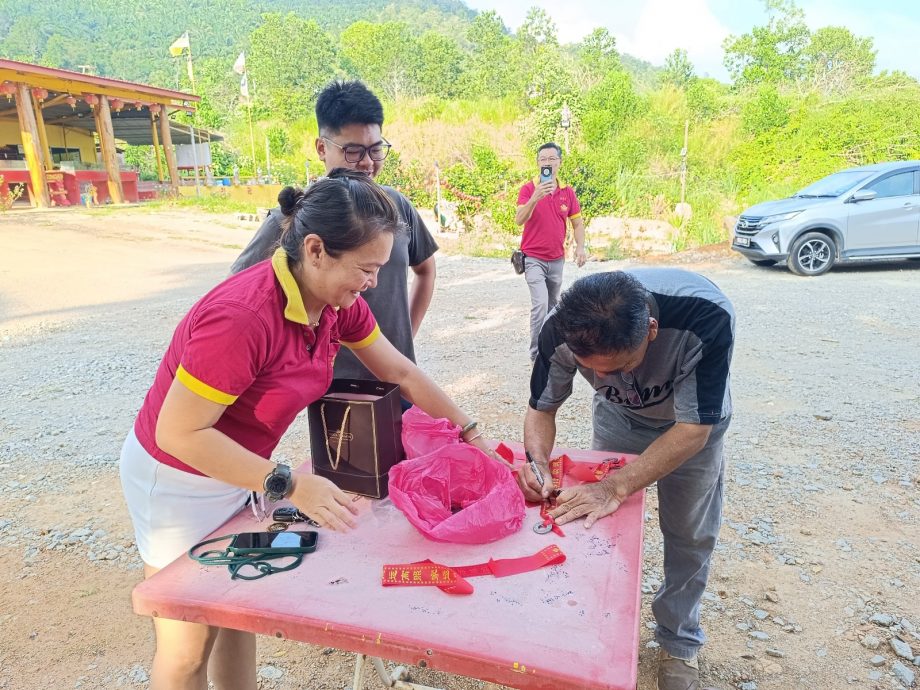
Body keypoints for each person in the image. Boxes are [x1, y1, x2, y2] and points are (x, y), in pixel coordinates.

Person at [121, 171, 494, 690]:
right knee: (187, 645)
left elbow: (402, 372)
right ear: (316, 250)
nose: (371, 283)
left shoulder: (333, 307)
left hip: (240, 468)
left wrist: (474, 437)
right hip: (179, 479)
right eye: (365, 269)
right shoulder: (243, 316)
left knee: (234, 611)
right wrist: (290, 483)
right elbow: (178, 434)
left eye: (379, 270)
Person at [517, 269, 734, 690]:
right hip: (619, 420)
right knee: (601, 531)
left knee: (689, 532)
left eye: (622, 366)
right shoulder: (560, 329)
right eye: (595, 372)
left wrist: (614, 486)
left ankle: (679, 641)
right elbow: (542, 408)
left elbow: (694, 430)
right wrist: (538, 463)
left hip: (691, 427)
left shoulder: (705, 316)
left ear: (651, 330)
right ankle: (601, 632)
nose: (609, 378)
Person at [231, 80, 437, 387]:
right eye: (353, 151)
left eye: (376, 149)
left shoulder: (395, 205)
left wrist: (405, 339)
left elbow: (425, 271)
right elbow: (241, 288)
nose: (367, 162)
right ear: (321, 148)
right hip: (331, 385)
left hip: (398, 377)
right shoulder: (293, 217)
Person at [514, 142, 587, 361]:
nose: (547, 162)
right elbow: (519, 220)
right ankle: (537, 355)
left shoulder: (567, 192)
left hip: (557, 259)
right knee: (540, 304)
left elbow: (578, 223)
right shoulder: (528, 189)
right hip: (532, 258)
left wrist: (580, 247)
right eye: (543, 159)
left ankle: (552, 347)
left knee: (554, 306)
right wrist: (536, 197)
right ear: (538, 163)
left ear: (559, 162)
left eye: (551, 159)